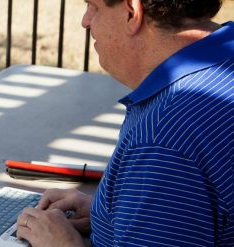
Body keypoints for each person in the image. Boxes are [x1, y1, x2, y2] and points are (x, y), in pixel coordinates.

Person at [15, 0, 233, 246]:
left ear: (132, 11)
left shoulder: (163, 137)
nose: (85, 21)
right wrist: (111, 214)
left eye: (93, 7)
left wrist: (64, 244)